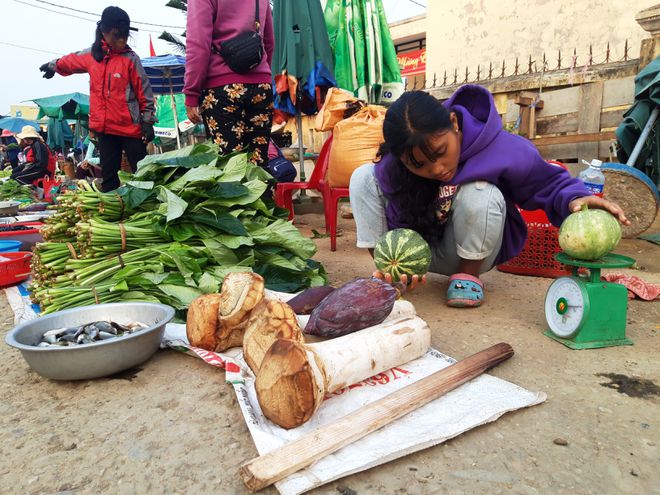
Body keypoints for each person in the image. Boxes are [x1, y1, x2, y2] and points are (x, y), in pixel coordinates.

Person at [349, 86, 630, 308]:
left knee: (481, 191)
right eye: (418, 165)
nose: (436, 169)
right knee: (362, 176)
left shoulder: (504, 148)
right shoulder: (398, 161)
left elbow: (548, 182)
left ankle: (468, 278)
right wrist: (394, 262)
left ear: (454, 123)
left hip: (467, 251)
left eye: (440, 152)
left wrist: (576, 199)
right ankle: (391, 275)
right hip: (416, 252)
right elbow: (382, 194)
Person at [39, 6, 156, 192]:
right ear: (105, 32)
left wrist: (148, 121)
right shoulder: (93, 56)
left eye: (125, 36)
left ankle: (151, 208)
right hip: (105, 129)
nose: (122, 40)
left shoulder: (130, 59)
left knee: (143, 175)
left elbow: (145, 92)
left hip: (131, 128)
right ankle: (113, 215)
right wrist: (54, 66)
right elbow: (71, 60)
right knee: (109, 177)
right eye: (118, 36)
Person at [184, 0, 275, 168]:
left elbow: (198, 43)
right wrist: (258, 71)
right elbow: (269, 41)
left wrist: (191, 92)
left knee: (228, 166)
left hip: (221, 89)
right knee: (259, 164)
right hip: (261, 86)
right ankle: (266, 194)